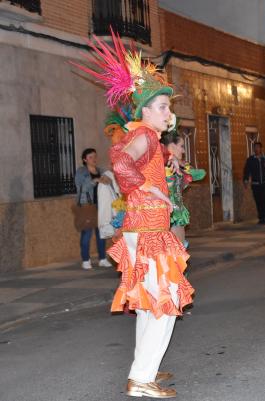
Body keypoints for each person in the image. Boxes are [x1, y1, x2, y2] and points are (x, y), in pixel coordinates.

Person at [74, 31, 194, 398]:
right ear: (144, 110)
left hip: (145, 229)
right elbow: (121, 160)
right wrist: (148, 188)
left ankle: (146, 370)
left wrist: (155, 188)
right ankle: (141, 379)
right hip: (148, 231)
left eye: (167, 108)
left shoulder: (148, 137)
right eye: (162, 107)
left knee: (151, 305)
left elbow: (127, 161)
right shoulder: (143, 134)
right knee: (163, 304)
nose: (168, 113)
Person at [160, 130, 206, 247]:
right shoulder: (161, 166)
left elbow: (200, 174)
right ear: (171, 146)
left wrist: (182, 166)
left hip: (175, 214)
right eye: (181, 146)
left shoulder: (177, 166)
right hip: (167, 215)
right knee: (173, 256)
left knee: (176, 256)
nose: (184, 150)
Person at [75, 148, 112, 270]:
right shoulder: (81, 172)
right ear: (85, 159)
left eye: (95, 156)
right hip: (87, 205)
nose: (94, 159)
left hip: (101, 205)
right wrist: (94, 181)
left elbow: (110, 182)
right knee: (86, 234)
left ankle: (102, 258)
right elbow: (81, 187)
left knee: (101, 232)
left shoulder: (101, 170)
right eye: (90, 157)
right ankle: (85, 260)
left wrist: (107, 180)